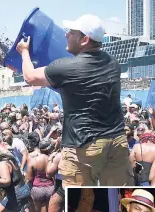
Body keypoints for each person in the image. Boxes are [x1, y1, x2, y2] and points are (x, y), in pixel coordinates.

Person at [16, 14, 134, 186]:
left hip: (83, 146)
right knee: (116, 196)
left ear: (85, 39)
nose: (66, 35)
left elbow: (29, 77)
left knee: (80, 202)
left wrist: (24, 51)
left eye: (71, 32)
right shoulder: (113, 63)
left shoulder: (66, 67)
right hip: (116, 142)